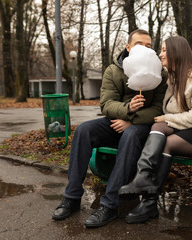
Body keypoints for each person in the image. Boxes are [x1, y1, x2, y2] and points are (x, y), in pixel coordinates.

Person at [52, 29, 167, 228]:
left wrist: (132, 120)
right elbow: (106, 105)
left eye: (149, 46)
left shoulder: (159, 74)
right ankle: (72, 197)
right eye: (140, 44)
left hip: (141, 129)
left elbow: (158, 109)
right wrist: (128, 109)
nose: (146, 49)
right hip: (116, 122)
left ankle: (110, 204)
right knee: (83, 130)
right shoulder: (113, 71)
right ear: (128, 47)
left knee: (130, 134)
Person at [118, 36, 192, 224]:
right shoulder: (174, 77)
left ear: (176, 53)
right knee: (158, 126)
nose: (160, 54)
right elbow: (170, 110)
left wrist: (168, 119)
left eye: (163, 50)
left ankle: (149, 203)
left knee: (167, 143)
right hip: (191, 127)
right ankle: (142, 176)